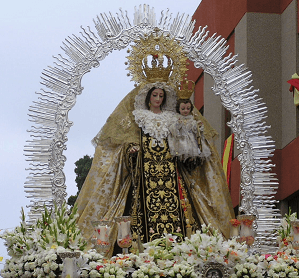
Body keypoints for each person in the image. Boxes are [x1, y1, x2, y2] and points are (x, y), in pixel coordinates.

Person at [75, 32, 234, 256]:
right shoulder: (137, 118)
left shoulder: (174, 119)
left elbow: (189, 141)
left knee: (184, 215)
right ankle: (139, 251)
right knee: (136, 215)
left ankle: (182, 250)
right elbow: (123, 148)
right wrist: (132, 152)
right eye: (154, 95)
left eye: (161, 95)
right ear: (148, 96)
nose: (158, 99)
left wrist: (188, 148)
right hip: (143, 179)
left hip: (172, 176)